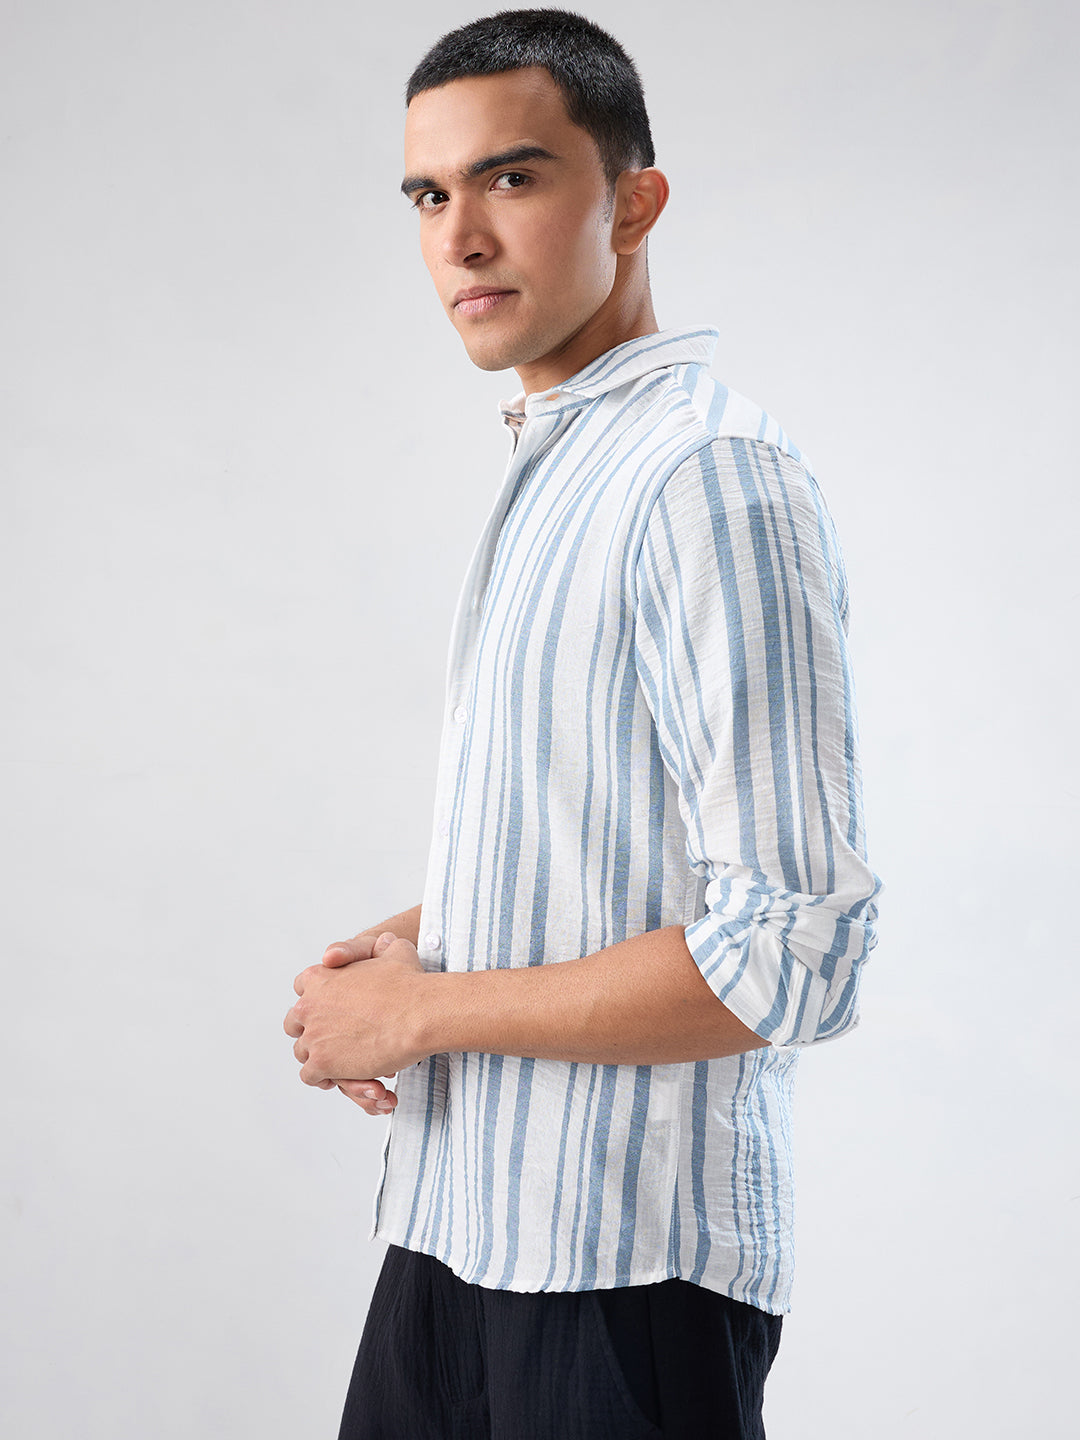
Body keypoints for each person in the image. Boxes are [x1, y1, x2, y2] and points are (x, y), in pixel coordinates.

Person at [284, 10, 879, 1438]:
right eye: (429, 194)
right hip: (453, 1233)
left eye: (512, 177)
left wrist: (424, 1013)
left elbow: (796, 947)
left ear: (634, 201)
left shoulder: (706, 478)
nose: (460, 235)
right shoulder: (562, 467)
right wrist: (427, 943)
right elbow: (616, 838)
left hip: (622, 1282)